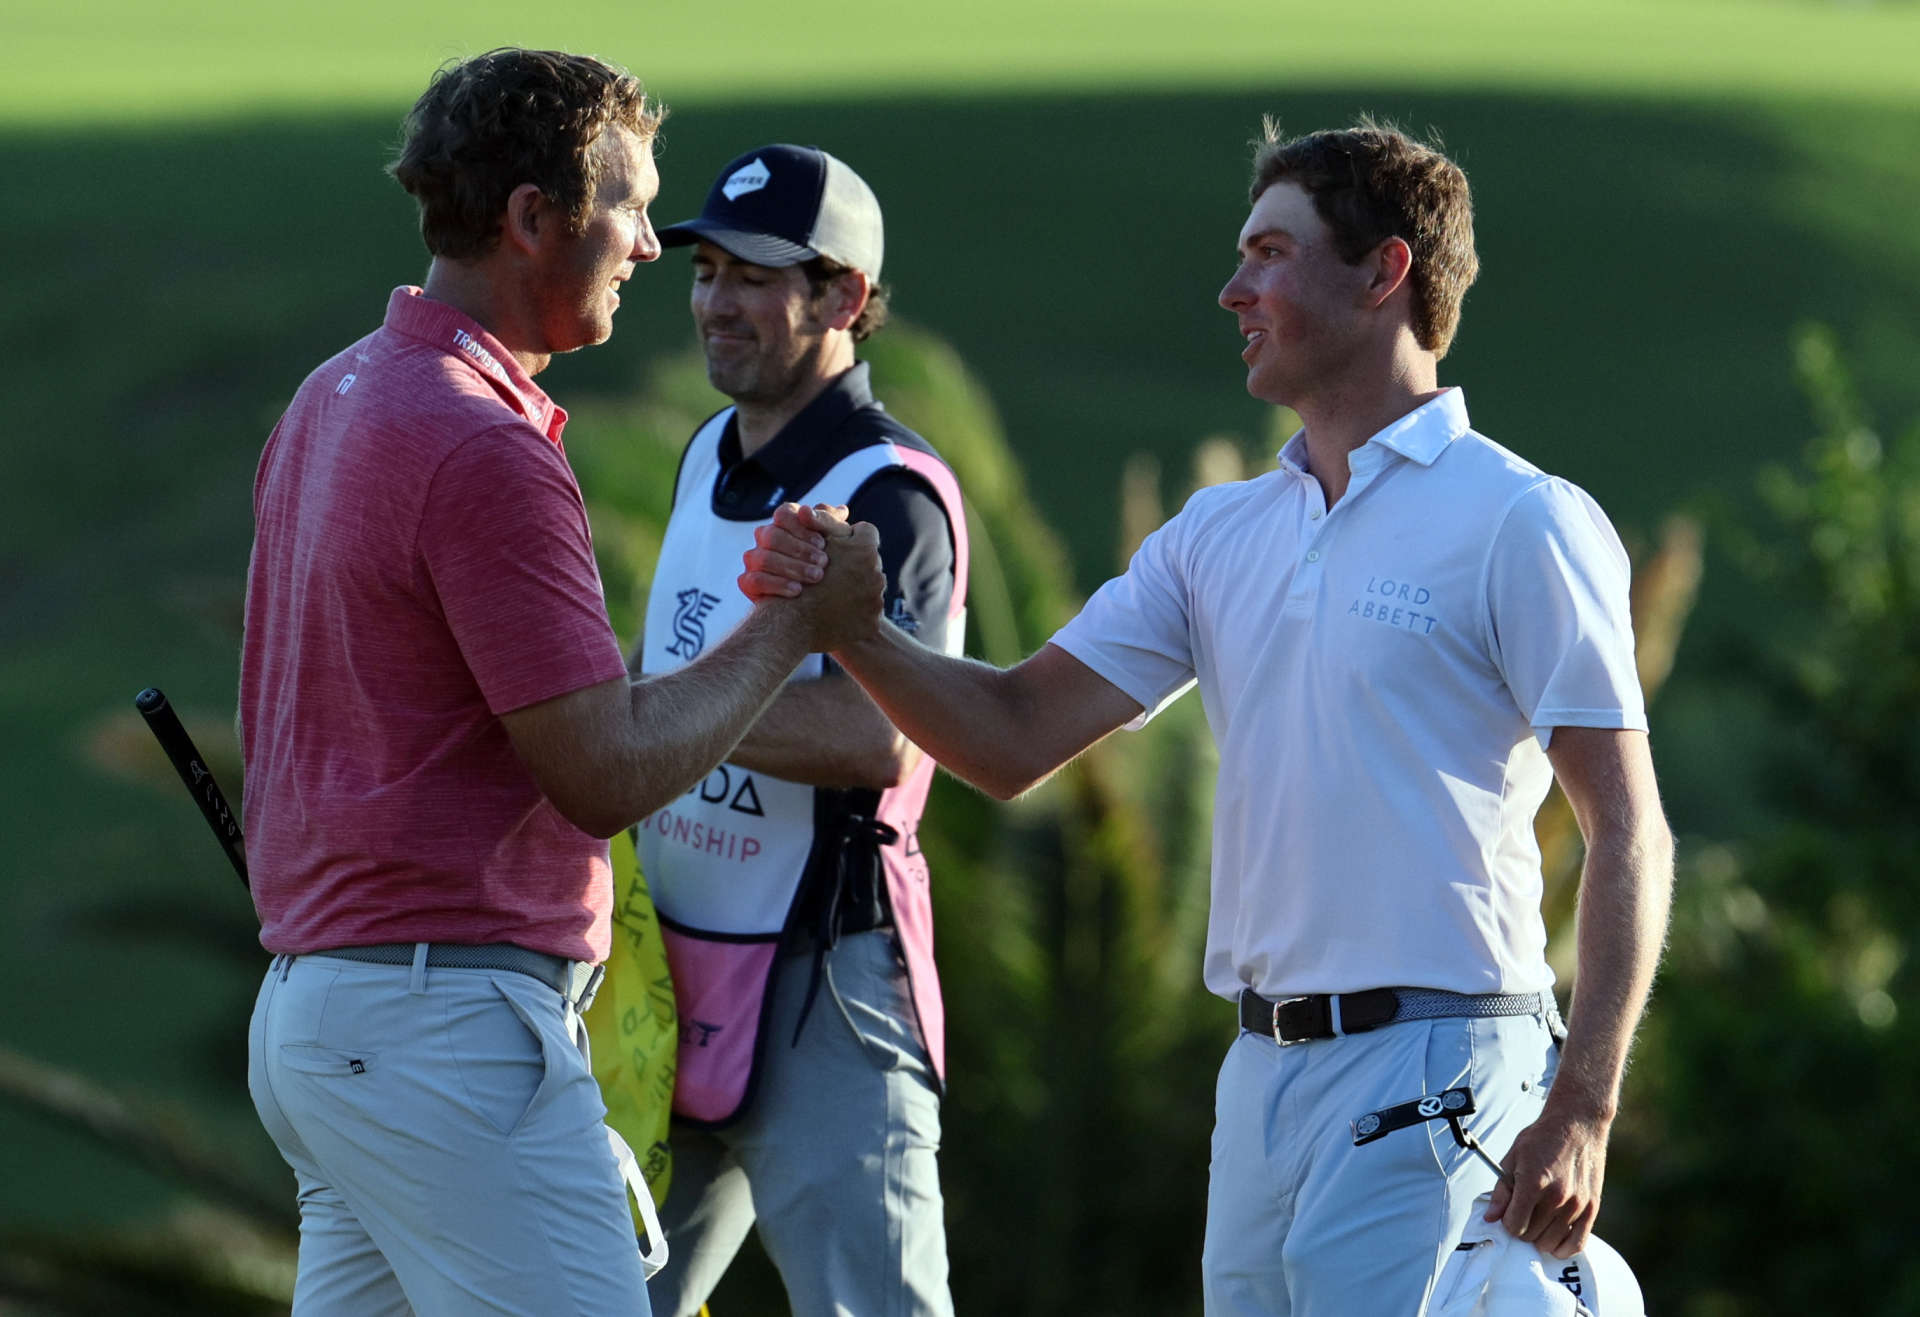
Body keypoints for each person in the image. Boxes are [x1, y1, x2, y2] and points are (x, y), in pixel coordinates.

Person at [750, 120, 1675, 1315]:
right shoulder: (1218, 534)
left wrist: (1584, 1106)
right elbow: (1014, 735)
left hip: (1443, 1066)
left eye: (1271, 254)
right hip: (1262, 1077)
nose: (1233, 289)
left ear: (1386, 272)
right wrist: (858, 635)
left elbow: (1630, 831)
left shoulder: (1520, 519)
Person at [237, 53, 881, 1316]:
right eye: (631, 207)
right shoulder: (479, 439)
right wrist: (784, 625)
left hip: (333, 1026)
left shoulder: (338, 393)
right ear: (533, 219)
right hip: (443, 1040)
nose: (649, 245)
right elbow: (601, 775)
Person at [634, 144, 966, 1317]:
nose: (717, 303)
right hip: (666, 977)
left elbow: (883, 737)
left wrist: (648, 721)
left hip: (829, 979)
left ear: (844, 300)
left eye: (756, 278)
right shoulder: (702, 457)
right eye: (707, 269)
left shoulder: (891, 489)